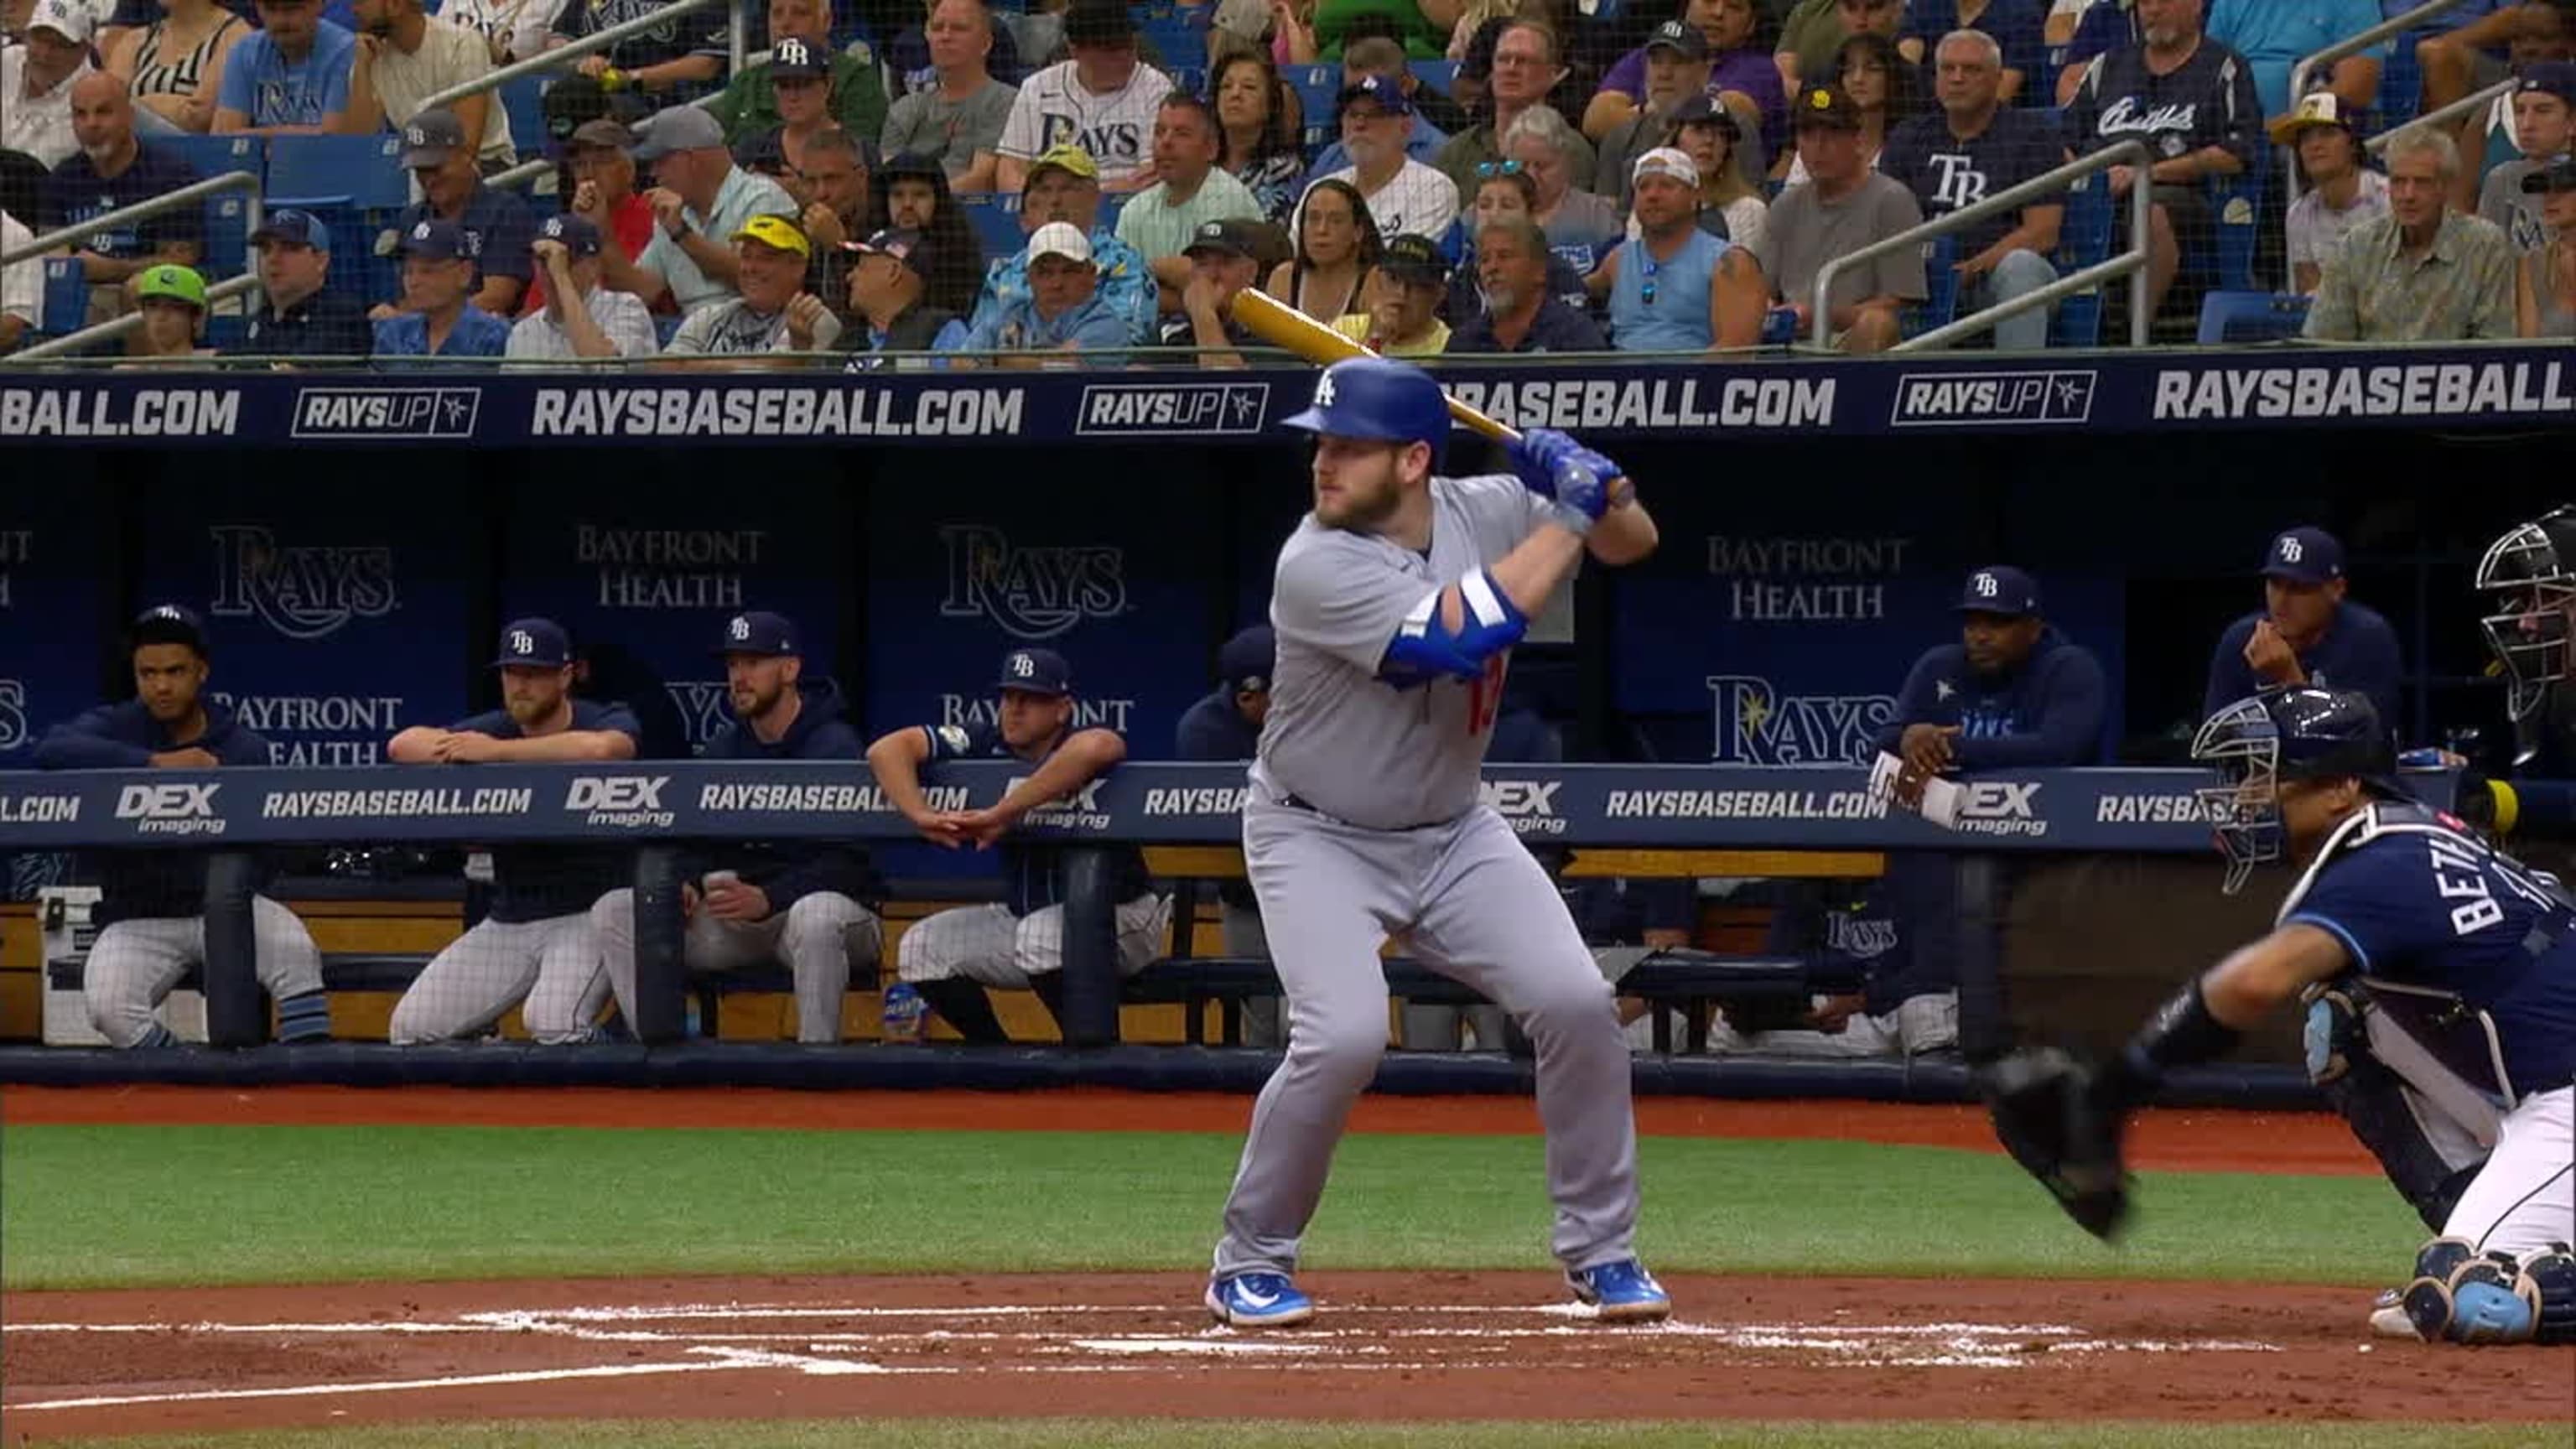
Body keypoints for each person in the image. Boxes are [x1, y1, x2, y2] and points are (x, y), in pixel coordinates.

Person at [1202, 356, 1668, 1330]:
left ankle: (1603, 1252)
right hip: (1314, 832)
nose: (1323, 463)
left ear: (1414, 460)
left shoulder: (1487, 505)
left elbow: (1636, 540)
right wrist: (1566, 513)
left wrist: (1592, 475)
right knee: (1342, 1037)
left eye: (1348, 448)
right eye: (1321, 445)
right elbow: (1451, 641)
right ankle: (1249, 1259)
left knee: (1580, 1004)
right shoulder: (1314, 562)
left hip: (1454, 832)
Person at [1980, 686, 2575, 1350]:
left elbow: (2253, 983)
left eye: (2268, 778)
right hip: (2540, 1092)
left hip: (2564, 1102)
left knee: (2468, 1295)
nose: (2247, 797)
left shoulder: (2381, 863)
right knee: (2347, 1019)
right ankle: (2493, 1228)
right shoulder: (2413, 836)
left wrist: (2115, 1090)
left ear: (2343, 787)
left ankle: (2498, 1258)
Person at [30, 605, 330, 1050]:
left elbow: (270, 853)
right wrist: (154, 764)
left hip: (232, 913)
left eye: (175, 671)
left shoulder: (241, 746)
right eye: (147, 673)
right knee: (108, 1008)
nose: (162, 685)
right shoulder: (119, 727)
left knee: (297, 955)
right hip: (140, 917)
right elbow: (50, 749)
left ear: (201, 671)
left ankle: (306, 1089)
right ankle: (187, 1081)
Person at [591, 611, 883, 1045]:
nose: (739, 677)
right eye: (733, 665)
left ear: (790, 669)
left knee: (817, 916)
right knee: (617, 909)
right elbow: (695, 841)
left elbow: (854, 864)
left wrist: (771, 896)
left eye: (754, 663)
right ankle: (657, 1057)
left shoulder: (835, 745)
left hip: (821, 917)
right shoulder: (723, 749)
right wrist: (685, 881)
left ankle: (818, 1062)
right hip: (739, 918)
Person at [865, 647, 1167, 1045]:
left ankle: (1089, 1058)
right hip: (1027, 918)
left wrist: (1004, 811)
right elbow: (886, 749)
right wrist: (919, 814)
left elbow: (1100, 746)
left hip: (1121, 918)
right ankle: (995, 1059)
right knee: (922, 946)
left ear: (1062, 709)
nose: (1015, 708)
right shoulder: (986, 741)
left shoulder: (1077, 744)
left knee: (1040, 935)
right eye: (1009, 697)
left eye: (1031, 699)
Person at [385, 619, 639, 1046]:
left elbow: (604, 749)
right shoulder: (494, 725)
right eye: (511, 673)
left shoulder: (602, 716)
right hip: (510, 920)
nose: (520, 685)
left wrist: (498, 753)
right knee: (411, 1027)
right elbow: (403, 745)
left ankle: (614, 1089)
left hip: (585, 917)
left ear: (565, 676)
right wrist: (477, 746)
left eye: (534, 674)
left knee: (554, 1023)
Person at [2062, 0, 2262, 324]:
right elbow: (2063, 140)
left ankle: (2135, 328)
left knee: (2150, 210)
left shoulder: (2224, 66)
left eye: (2164, 1)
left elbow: (2237, 153)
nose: (2152, 10)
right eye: (2145, 3)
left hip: (2182, 196)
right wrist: (2086, 178)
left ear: (2196, 6)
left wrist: (2144, 174)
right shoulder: (2108, 65)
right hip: (2097, 194)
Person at [1878, 28, 2061, 350]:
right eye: (1948, 69)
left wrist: (1973, 267)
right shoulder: (1909, 136)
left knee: (2022, 266)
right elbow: (1883, 222)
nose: (1957, 78)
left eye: (1972, 69)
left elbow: (2042, 232)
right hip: (1918, 281)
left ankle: (2017, 386)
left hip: (1989, 281)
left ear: (1997, 78)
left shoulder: (2033, 136)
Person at [1878, 567, 2110, 798]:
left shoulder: (2068, 667)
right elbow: (1879, 747)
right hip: (1949, 825)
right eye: (1971, 623)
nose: (1980, 636)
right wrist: (1907, 740)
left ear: (2034, 629)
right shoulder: (1938, 666)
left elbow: (2059, 749)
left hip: (2061, 817)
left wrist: (1945, 747)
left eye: (1997, 623)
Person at [2307, 126, 2517, 342]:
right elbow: (2325, 342)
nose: (2408, 195)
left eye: (2422, 183)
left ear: (2445, 187)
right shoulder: (2357, 246)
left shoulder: (2485, 246)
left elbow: (2494, 345)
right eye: (2398, 182)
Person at [1755, 84, 1924, 352]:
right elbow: (1761, 290)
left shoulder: (1892, 200)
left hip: (1850, 341)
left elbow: (1898, 307)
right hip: (1785, 343)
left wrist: (1821, 316)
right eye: (1808, 134)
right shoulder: (1785, 205)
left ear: (1857, 139)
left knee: (1877, 324)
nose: (1818, 147)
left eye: (1832, 133)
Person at [1174, 622, 1280, 1044]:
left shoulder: (1317, 714)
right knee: (1260, 1020)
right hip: (1244, 893)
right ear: (1242, 695)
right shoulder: (1204, 729)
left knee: (1302, 1021)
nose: (1269, 706)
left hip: (1313, 896)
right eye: (1255, 697)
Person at [2202, 526, 2404, 740]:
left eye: (2299, 588)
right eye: (2275, 584)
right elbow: (2214, 739)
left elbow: (2367, 743)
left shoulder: (2367, 639)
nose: (2281, 601)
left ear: (2337, 589)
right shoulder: (2241, 640)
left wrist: (2288, 681)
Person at [44, 75, 200, 323]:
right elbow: (53, 253)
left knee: (138, 288)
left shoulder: (172, 176)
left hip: (149, 291)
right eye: (80, 114)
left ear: (130, 115)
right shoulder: (63, 177)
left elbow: (180, 260)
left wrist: (112, 269)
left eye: (103, 112)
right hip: (82, 292)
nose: (91, 124)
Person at [621, 105, 800, 315]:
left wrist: (682, 233)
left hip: (756, 332)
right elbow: (643, 290)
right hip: (693, 337)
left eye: (661, 161)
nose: (654, 173)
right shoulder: (673, 212)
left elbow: (757, 277)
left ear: (691, 159)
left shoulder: (764, 198)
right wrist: (600, 233)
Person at [969, 143, 1153, 341]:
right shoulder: (1003, 272)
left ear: (1095, 198)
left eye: (1067, 189)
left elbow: (1123, 342)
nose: (1055, 200)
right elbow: (978, 348)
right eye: (1044, 189)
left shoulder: (1123, 264)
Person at [1597, 146, 1768, 351]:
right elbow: (1571, 290)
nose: (1652, 195)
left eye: (1667, 186)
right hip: (1621, 377)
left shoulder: (1730, 263)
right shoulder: (1618, 259)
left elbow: (1735, 351)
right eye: (1643, 187)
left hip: (1694, 377)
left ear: (1694, 197)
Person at [992, 0, 1173, 190]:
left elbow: (1153, 174)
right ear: (1075, 50)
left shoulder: (1155, 87)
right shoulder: (1037, 87)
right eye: (1111, 50)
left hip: (1126, 208)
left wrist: (1085, 197)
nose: (1125, 56)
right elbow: (1009, 170)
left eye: (1129, 46)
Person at [1589, 0, 1785, 167]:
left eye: (1733, 7)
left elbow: (1726, 119)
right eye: (1709, 1)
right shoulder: (1646, 56)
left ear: (1751, 24)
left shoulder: (1759, 70)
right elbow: (1596, 121)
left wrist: (1649, 112)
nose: (1718, 13)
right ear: (1688, 5)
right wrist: (1649, 112)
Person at [1115, 91, 1265, 310]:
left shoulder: (1228, 197)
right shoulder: (1135, 210)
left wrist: (1147, 271)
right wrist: (1168, 275)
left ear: (1211, 148)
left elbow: (1215, 293)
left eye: (1181, 134)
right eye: (1159, 132)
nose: (1166, 142)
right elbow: (1121, 291)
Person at [387, 107, 535, 316]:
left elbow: (497, 298)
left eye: (436, 168)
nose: (429, 180)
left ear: (466, 154)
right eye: (421, 171)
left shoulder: (505, 211)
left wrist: (430, 321)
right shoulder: (412, 219)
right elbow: (407, 297)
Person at [340, 0, 513, 167]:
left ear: (396, 5)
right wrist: (362, 67)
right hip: (420, 168)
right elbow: (356, 143)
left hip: (483, 164)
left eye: (361, 1)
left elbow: (466, 147)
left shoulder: (463, 43)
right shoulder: (371, 55)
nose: (353, 9)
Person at [1436, 20, 1597, 198]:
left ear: (1553, 75)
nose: (1511, 69)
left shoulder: (1570, 150)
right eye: (1503, 59)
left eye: (1524, 61)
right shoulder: (1457, 152)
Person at [704, 0, 890, 148]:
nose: (785, 24)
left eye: (800, 13)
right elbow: (706, 136)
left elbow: (860, 158)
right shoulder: (748, 80)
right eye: (777, 14)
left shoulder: (856, 79)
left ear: (826, 21)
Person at [1305, 74, 1460, 242]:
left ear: (1406, 126)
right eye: (1352, 114)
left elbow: (1408, 266)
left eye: (1375, 115)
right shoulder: (1320, 190)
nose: (1360, 124)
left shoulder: (1432, 188)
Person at [663, 214, 843, 358]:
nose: (751, 268)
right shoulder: (709, 316)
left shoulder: (813, 319)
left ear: (798, 267)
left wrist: (699, 369)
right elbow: (665, 368)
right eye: (746, 256)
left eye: (766, 258)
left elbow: (771, 375)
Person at [880, 0, 1013, 190]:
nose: (945, 36)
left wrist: (929, 199)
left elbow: (983, 178)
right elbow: (892, 183)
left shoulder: (1007, 102)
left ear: (986, 44)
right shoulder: (903, 109)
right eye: (937, 28)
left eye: (959, 29)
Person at [954, 218, 1129, 360]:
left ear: (1092, 274)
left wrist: (995, 361)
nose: (1056, 283)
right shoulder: (1010, 314)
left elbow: (1060, 367)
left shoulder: (1104, 323)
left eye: (1069, 272)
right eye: (1045, 273)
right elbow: (960, 363)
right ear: (1030, 277)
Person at [2276, 91, 2388, 297]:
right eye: (2305, 138)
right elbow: (2310, 294)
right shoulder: (2299, 214)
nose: (2314, 145)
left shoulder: (2389, 199)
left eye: (2327, 133)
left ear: (2353, 144)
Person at [507, 210, 660, 360]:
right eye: (542, 260)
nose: (549, 270)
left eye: (565, 261)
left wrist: (561, 277)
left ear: (593, 266)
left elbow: (604, 370)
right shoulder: (524, 331)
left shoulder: (626, 308)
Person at [541, 117, 654, 316]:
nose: (589, 173)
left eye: (602, 162)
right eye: (580, 164)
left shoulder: (654, 216)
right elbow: (536, 307)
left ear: (630, 170)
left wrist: (598, 231)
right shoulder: (561, 229)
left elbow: (640, 297)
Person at [2203, 0, 2383, 122]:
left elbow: (2358, 86)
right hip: (2237, 136)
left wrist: (2292, 125)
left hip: (2309, 134)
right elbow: (2206, 73)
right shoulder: (2229, 3)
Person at [1453, 213, 1607, 351]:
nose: (1492, 268)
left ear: (1539, 270)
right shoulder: (1465, 342)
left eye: (1505, 256)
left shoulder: (1576, 336)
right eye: (1484, 260)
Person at [1306, 35, 1454, 179]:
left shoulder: (1441, 155)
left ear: (1405, 86)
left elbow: (1477, 171)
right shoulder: (1330, 160)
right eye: (1352, 94)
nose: (1360, 119)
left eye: (1373, 96)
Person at [1782, 29, 1915, 184]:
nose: (1858, 79)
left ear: (1891, 77)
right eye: (1848, 69)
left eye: (1872, 69)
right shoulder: (1816, 144)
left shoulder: (1909, 148)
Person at [235, 207, 371, 356]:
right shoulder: (260, 320)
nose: (273, 259)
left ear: (321, 260)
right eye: (266, 250)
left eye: (288, 248)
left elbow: (300, 373)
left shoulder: (341, 317)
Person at [371, 216, 512, 360]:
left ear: (465, 273)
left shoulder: (494, 338)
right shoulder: (393, 335)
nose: (414, 282)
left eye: (428, 271)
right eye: (408, 271)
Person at [1505, 103, 1619, 275]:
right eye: (1522, 166)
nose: (1531, 176)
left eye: (1542, 166)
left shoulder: (1597, 216)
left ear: (1566, 162)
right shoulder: (1486, 212)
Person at [211, 0, 356, 134]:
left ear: (319, 4)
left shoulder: (346, 51)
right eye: (271, 9)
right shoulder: (244, 51)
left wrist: (259, 137)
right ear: (258, 8)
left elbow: (333, 141)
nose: (281, 21)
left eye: (292, 8)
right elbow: (226, 140)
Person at [548, 0, 727, 107]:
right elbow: (557, 41)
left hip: (680, 100)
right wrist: (583, 61)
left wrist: (633, 78)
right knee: (563, 101)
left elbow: (707, 65)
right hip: (611, 94)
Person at [873, 148, 985, 315]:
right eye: (897, 195)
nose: (908, 204)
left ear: (938, 200)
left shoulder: (960, 250)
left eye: (920, 195)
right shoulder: (871, 244)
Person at [727, 37, 849, 188]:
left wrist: (802, 199)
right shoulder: (751, 152)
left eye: (804, 84)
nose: (793, 96)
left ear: (828, 85)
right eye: (784, 86)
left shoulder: (857, 151)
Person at [838, 225, 971, 362]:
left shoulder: (942, 332)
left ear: (893, 271)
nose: (849, 277)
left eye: (861, 267)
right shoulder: (849, 341)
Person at [2480, 62, 2574, 254]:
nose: (2527, 124)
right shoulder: (2502, 179)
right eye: (2521, 111)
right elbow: (2485, 260)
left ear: (2573, 121)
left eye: (2543, 111)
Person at [106, 0, 243, 133]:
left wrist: (134, 105)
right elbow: (106, 107)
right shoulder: (134, 39)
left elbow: (199, 116)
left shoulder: (236, 35)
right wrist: (174, 105)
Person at [1265, 173, 1382, 322]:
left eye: (1336, 221)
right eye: (1313, 218)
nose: (1322, 229)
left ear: (1358, 232)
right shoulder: (1284, 278)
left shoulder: (1374, 282)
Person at [1656, 94, 1768, 250]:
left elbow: (1747, 271)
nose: (1709, 141)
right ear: (1675, 140)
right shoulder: (1652, 201)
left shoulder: (1748, 210)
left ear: (1726, 151)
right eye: (1698, 129)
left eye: (1721, 134)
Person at [1211, 45, 1306, 223]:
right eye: (1226, 86)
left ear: (1271, 104)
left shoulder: (1283, 169)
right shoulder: (1201, 164)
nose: (1235, 94)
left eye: (1249, 87)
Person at [1161, 215, 1270, 365]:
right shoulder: (1172, 332)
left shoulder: (1270, 332)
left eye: (1225, 263)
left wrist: (1203, 313)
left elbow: (1230, 383)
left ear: (1251, 272)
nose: (1212, 275)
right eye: (1202, 264)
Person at [1898, 0, 2048, 102]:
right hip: (1927, 116)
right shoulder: (1925, 5)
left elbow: (2001, 94)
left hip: (1992, 124)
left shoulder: (2022, 13)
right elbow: (1904, 73)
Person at [792, 128, 878, 304]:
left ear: (861, 177)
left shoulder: (887, 224)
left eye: (832, 179)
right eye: (811, 181)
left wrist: (839, 247)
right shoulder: (800, 228)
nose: (821, 193)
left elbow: (871, 311)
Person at [5, 0, 96, 164]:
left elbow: (35, 169)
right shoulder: (7, 61)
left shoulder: (90, 100)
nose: (44, 54)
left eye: (59, 44)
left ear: (84, 50)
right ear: (25, 35)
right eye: (38, 39)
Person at [1774, 0, 1904, 96]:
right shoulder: (1826, 74)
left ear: (1896, 10)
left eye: (1872, 8)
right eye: (1851, 8)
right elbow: (1814, 101)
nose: (1861, 21)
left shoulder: (1910, 80)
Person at [2520, 157, 2576, 335]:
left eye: (2562, 189)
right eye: (2545, 189)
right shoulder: (2534, 262)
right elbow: (2529, 345)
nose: (2550, 198)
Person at [122, 258, 210, 359]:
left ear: (196, 318)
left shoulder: (218, 368)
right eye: (152, 306)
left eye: (174, 307)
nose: (161, 316)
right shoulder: (127, 373)